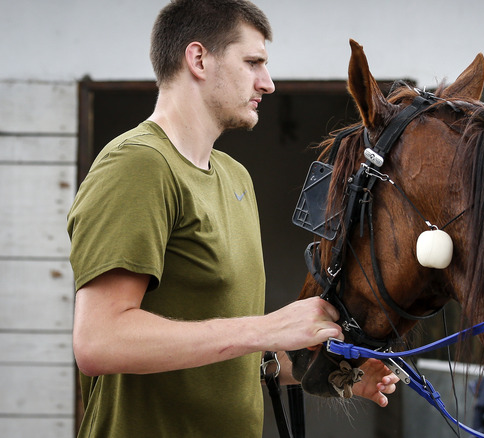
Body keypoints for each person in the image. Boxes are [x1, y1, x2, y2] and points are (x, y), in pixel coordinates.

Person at [66, 1, 399, 436]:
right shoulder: (138, 166)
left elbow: (228, 351)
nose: (269, 82)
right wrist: (267, 327)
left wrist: (324, 368)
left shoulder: (233, 176)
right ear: (199, 58)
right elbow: (100, 342)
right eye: (253, 62)